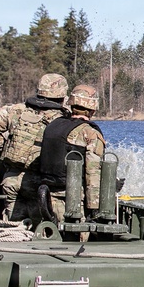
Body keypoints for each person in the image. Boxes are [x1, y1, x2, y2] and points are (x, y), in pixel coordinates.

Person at [0, 73, 69, 221]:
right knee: (38, 226)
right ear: (62, 94)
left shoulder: (16, 110)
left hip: (12, 180)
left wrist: (5, 147)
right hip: (40, 183)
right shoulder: (62, 119)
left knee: (14, 227)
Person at [38, 84, 105, 223]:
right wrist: (95, 209)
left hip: (46, 195)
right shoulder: (90, 133)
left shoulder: (53, 125)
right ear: (92, 108)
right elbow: (93, 173)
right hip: (73, 200)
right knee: (77, 241)